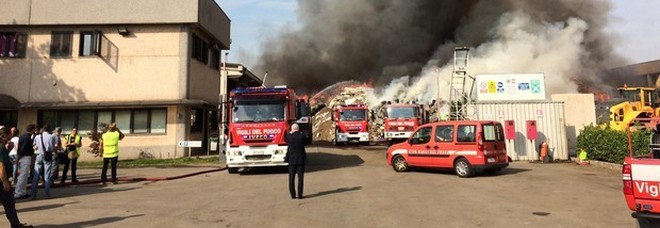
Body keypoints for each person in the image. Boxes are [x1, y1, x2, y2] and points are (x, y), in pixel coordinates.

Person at [0, 127, 33, 227]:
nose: (8, 137)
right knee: (9, 204)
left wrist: (8, 149)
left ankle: (16, 225)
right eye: (7, 135)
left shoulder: (3, 147)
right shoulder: (0, 147)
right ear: (3, 136)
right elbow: (1, 166)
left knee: (9, 204)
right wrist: (5, 182)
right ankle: (15, 225)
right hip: (1, 181)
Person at [30, 124, 57, 200]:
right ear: (49, 130)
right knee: (47, 174)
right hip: (48, 155)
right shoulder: (52, 136)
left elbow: (34, 146)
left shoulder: (38, 136)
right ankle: (47, 194)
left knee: (36, 175)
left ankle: (33, 195)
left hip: (39, 155)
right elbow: (54, 146)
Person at [284, 123, 309, 199]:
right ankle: (300, 195)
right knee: (300, 178)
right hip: (300, 159)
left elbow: (284, 139)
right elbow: (306, 142)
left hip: (291, 159)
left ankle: (293, 194)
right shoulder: (302, 136)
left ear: (292, 129)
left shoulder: (289, 137)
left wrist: (290, 133)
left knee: (291, 178)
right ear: (298, 129)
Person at [14, 124, 35, 200]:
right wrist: (18, 157)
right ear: (32, 130)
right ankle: (18, 193)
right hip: (25, 157)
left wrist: (18, 157)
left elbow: (20, 147)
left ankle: (22, 192)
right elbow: (23, 149)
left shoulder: (22, 136)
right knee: (23, 176)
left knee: (24, 175)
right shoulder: (28, 138)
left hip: (21, 157)